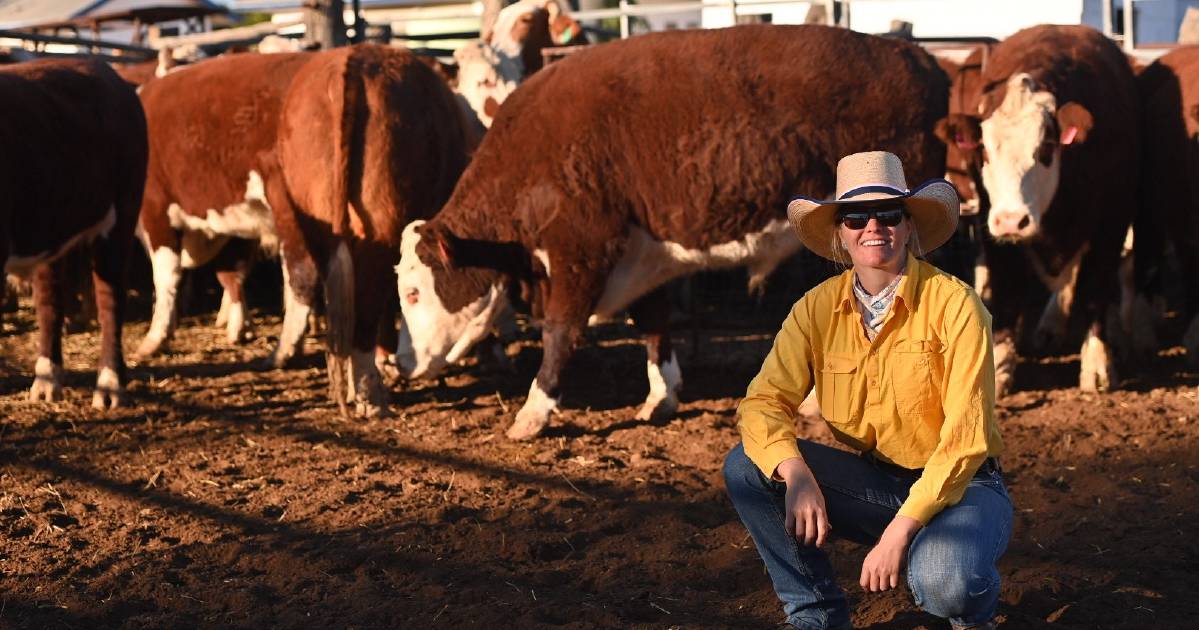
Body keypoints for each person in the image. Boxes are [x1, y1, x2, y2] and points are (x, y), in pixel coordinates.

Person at [722, 151, 1011, 630]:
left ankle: (969, 613)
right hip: (880, 485)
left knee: (945, 582)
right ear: (840, 232)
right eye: (856, 216)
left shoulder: (956, 304)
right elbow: (762, 403)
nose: (873, 226)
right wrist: (795, 473)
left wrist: (899, 533)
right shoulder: (815, 310)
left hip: (963, 488)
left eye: (888, 213)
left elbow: (966, 439)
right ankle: (816, 615)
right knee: (749, 467)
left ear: (908, 225)